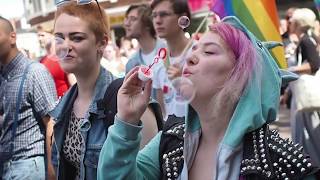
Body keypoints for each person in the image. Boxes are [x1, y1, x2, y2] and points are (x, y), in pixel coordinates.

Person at [97, 16, 319, 179]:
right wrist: (126, 120)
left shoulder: (284, 164)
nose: (191, 57)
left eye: (209, 51)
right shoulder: (170, 141)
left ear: (242, 76)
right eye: (195, 49)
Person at [50, 2, 162, 179]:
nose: (65, 46)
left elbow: (149, 172)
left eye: (77, 38)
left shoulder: (129, 103)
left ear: (102, 43)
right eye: (59, 38)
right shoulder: (64, 105)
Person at [0, 16, 57, 179]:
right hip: (7, 166)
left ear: (12, 37)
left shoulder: (34, 72)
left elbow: (52, 122)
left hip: (29, 166)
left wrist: (52, 170)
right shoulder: (3, 76)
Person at [284, 8, 320, 174]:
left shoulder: (306, 41)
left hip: (307, 101)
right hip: (301, 99)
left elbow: (314, 65)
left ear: (298, 23)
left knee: (311, 137)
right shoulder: (305, 40)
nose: (289, 23)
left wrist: (290, 69)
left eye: (292, 21)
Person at [151, 0, 193, 119]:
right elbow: (163, 108)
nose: (157, 21)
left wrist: (183, 81)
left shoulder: (199, 53)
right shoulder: (159, 59)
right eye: (154, 15)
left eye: (164, 14)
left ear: (183, 19)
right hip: (171, 133)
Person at [124, 4, 167, 112]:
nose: (126, 23)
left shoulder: (167, 52)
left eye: (133, 19)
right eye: (126, 19)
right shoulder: (131, 64)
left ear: (148, 24)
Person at [39, 33, 76, 98]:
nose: (40, 38)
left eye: (42, 35)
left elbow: (75, 85)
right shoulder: (42, 61)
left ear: (51, 34)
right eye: (38, 36)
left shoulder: (65, 58)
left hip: (66, 104)